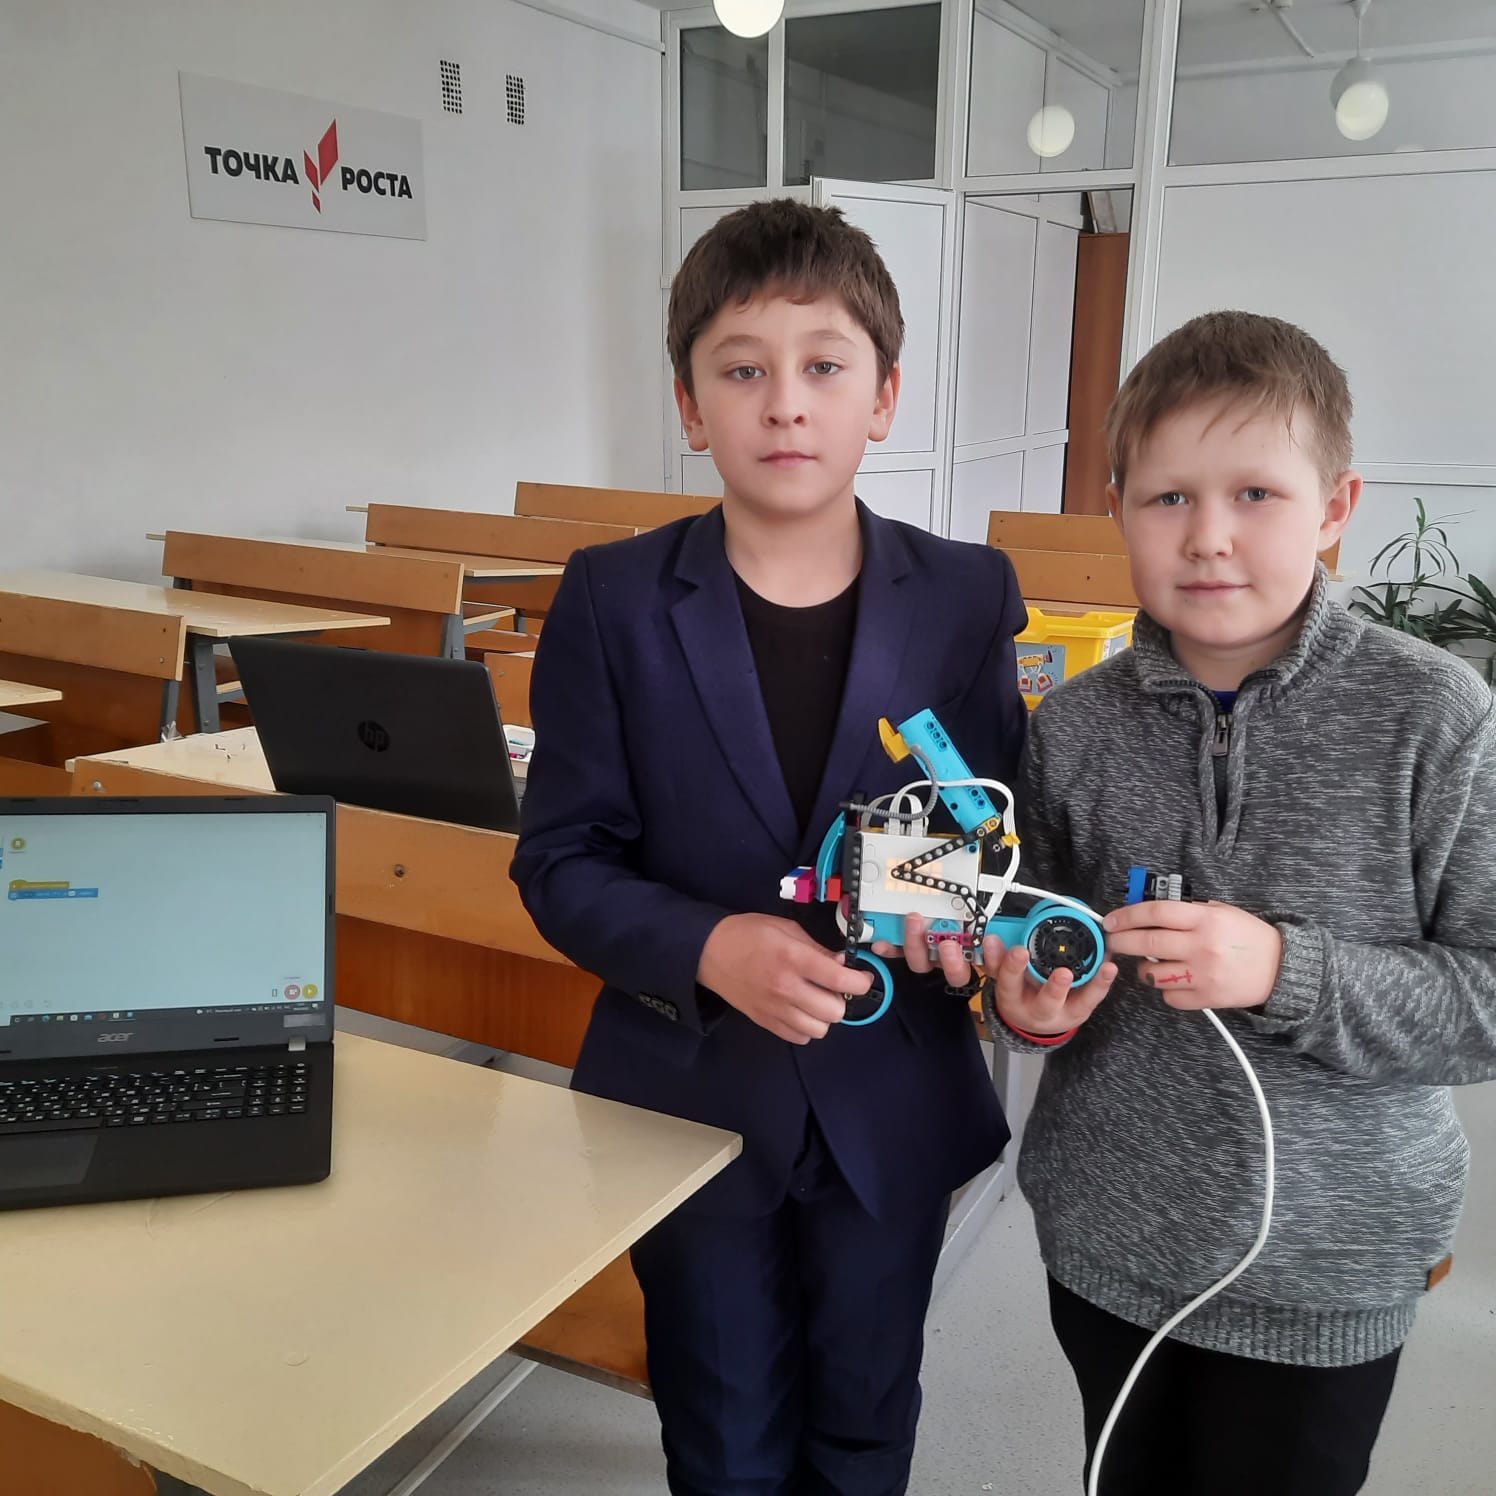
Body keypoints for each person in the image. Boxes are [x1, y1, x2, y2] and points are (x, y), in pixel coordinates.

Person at [511, 198, 1053, 1495]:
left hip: (890, 1090)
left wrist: (972, 931)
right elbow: (561, 858)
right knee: (721, 1435)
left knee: (865, 1421)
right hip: (690, 1094)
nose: (786, 404)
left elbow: (986, 829)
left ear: (884, 397)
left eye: (824, 366)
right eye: (742, 370)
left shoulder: (963, 595)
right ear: (691, 405)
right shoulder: (614, 598)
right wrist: (709, 945)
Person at [912, 309, 1496, 1494]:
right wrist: (1025, 1005)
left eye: (1255, 495)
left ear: (1333, 507)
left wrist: (1286, 970)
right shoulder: (1073, 725)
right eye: (1167, 497)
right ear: (1117, 508)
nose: (1208, 537)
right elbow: (1030, 952)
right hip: (1108, 1242)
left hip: (1327, 1265)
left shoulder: (1433, 717)